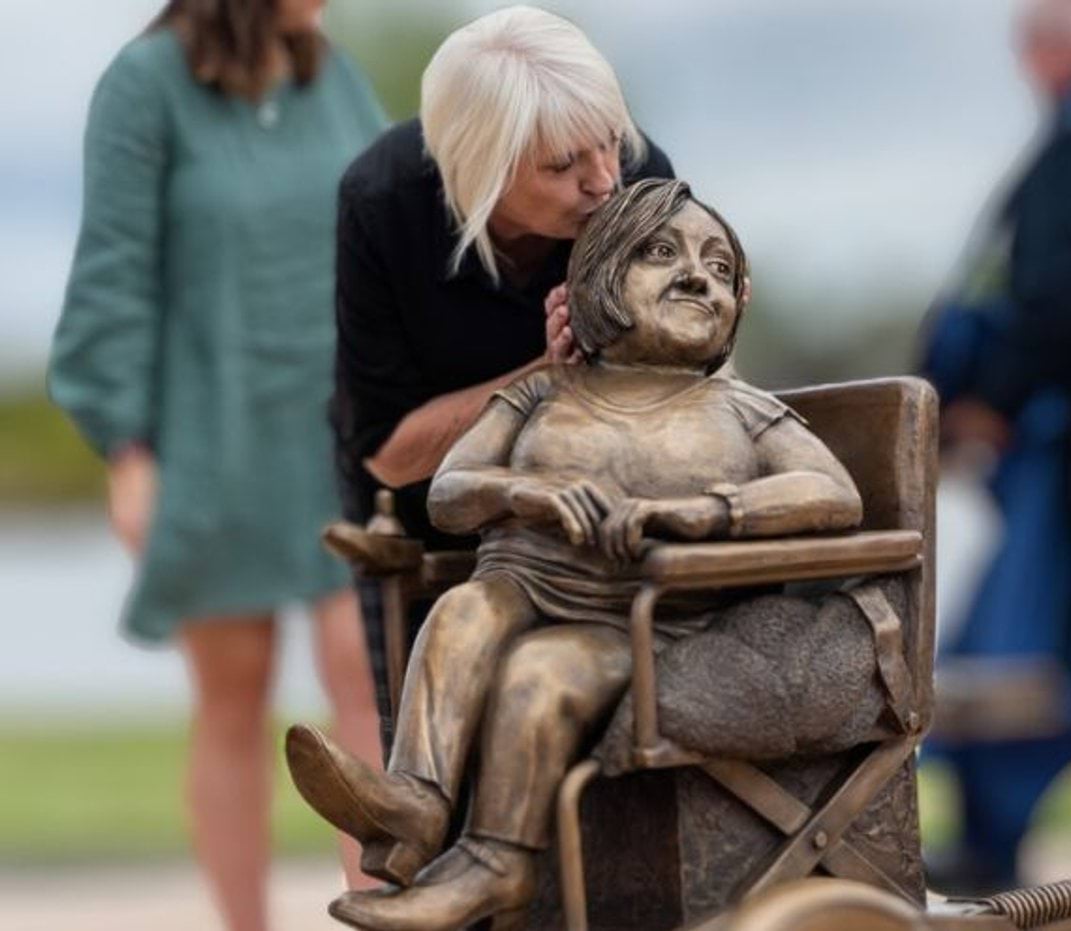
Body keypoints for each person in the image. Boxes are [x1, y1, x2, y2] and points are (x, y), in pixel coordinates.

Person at [289, 178, 865, 931]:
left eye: (720, 267)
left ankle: (497, 867)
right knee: (465, 608)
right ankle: (415, 803)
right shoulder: (541, 395)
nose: (697, 274)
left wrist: (705, 511)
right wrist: (525, 491)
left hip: (654, 623)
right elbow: (450, 491)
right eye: (662, 252)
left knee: (543, 669)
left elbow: (833, 492)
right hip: (523, 585)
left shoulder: (738, 407)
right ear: (597, 276)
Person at [48, 1, 387, 928]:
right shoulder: (144, 87)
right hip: (214, 434)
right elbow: (114, 271)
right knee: (234, 699)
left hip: (340, 430)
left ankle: (381, 913)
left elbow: (392, 228)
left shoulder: (331, 76)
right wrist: (129, 451)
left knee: (365, 671)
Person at [327, 6, 675, 745]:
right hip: (424, 517)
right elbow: (390, 453)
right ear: (478, 163)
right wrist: (543, 375)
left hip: (600, 508)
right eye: (561, 165)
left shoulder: (638, 178)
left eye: (607, 141)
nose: (603, 182)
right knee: (429, 747)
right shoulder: (382, 206)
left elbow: (690, 383)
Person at [917, 0, 1071, 893]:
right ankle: (994, 843)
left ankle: (993, 845)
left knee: (1021, 651)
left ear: (1051, 50)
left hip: (1067, 441)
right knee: (1034, 652)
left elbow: (1057, 298)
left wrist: (993, 398)